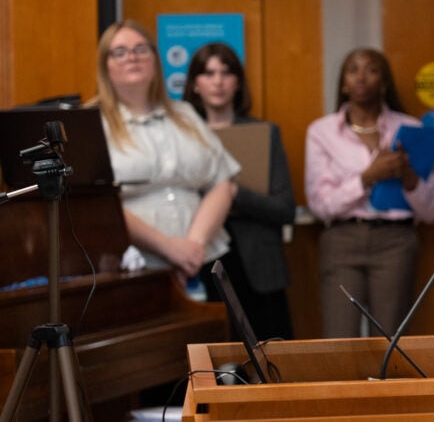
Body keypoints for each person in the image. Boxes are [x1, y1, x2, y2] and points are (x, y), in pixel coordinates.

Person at [92, 20, 238, 299]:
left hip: (204, 261)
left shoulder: (185, 114)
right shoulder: (93, 124)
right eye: (120, 52)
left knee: (210, 340)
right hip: (133, 267)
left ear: (155, 60)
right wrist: (169, 248)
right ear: (105, 65)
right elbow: (96, 202)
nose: (132, 57)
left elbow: (222, 182)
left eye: (140, 49)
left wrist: (193, 247)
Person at [305, 48, 434, 338]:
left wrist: (409, 178)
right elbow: (320, 204)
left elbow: (430, 209)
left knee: (391, 339)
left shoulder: (411, 129)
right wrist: (367, 178)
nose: (361, 77)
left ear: (384, 81)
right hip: (342, 239)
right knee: (339, 340)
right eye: (353, 70)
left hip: (396, 241)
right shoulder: (322, 131)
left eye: (371, 69)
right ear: (343, 82)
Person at [184, 42, 297, 341]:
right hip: (201, 262)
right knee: (213, 367)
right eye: (208, 73)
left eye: (226, 72)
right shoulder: (182, 139)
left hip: (259, 268)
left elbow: (285, 210)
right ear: (194, 84)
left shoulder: (265, 133)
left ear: (238, 82)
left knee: (270, 366)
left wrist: (232, 193)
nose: (218, 81)